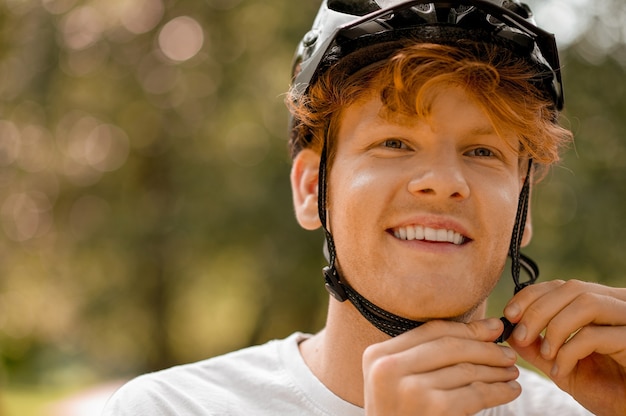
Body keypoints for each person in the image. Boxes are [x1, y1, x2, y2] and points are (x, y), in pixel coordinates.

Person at [102, 1, 626, 415]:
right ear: (312, 190)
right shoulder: (170, 409)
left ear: (523, 209)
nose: (444, 183)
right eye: (394, 143)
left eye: (482, 152)